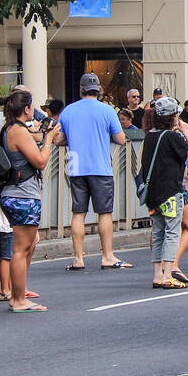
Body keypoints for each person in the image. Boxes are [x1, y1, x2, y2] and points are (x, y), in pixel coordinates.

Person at [57, 73, 132, 269]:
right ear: (98, 89)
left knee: (78, 213)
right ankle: (107, 256)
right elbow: (121, 139)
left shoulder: (68, 111)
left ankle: (78, 259)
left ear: (81, 89)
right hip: (101, 168)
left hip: (76, 167)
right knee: (104, 213)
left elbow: (59, 139)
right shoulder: (107, 111)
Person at [0, 89, 59, 313]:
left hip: (15, 193)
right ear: (26, 109)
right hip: (22, 195)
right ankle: (18, 298)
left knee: (28, 245)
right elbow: (40, 161)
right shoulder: (18, 131)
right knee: (21, 249)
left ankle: (18, 293)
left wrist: (44, 134)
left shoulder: (12, 129)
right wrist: (49, 140)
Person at [140, 97, 188, 290]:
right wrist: (185, 131)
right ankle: (167, 275)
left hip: (152, 194)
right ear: (173, 116)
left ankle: (157, 274)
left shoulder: (150, 136)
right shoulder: (172, 137)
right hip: (170, 192)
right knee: (172, 232)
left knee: (157, 232)